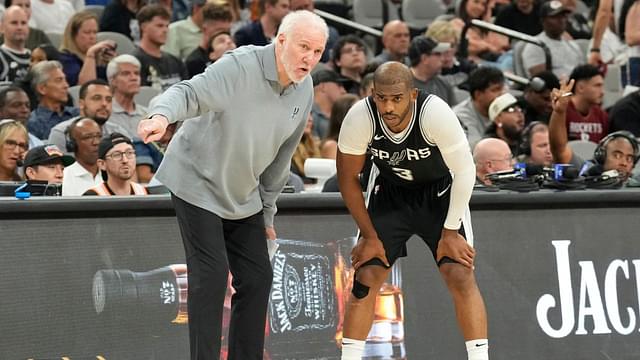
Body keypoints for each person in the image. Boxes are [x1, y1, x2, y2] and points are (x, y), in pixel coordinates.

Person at [136, 10, 328, 360]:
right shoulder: (240, 66)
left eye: (317, 52)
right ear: (281, 40)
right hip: (196, 180)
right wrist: (160, 115)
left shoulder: (305, 88)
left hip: (244, 194)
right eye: (304, 47)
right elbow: (189, 92)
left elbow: (281, 159)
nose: (309, 59)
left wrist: (267, 214)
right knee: (210, 277)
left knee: (256, 278)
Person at [336, 62, 488, 360]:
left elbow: (465, 171)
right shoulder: (360, 117)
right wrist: (368, 236)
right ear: (373, 94)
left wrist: (450, 231)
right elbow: (347, 179)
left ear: (413, 95)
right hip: (390, 193)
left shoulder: (435, 113)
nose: (388, 106)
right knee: (366, 275)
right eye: (382, 98)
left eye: (397, 98)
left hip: (439, 192)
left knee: (459, 272)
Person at [59, 11, 117, 87]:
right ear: (73, 35)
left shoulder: (101, 57)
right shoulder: (65, 59)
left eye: (95, 32)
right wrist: (90, 55)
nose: (92, 37)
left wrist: (114, 64)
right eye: (87, 32)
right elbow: (86, 89)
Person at [83, 132, 147, 195]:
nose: (125, 160)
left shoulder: (145, 193)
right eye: (117, 155)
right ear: (102, 164)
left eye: (129, 153)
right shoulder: (93, 197)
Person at [61, 117, 102, 195]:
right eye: (88, 137)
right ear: (73, 144)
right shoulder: (64, 178)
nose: (96, 142)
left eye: (99, 136)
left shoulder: (113, 175)